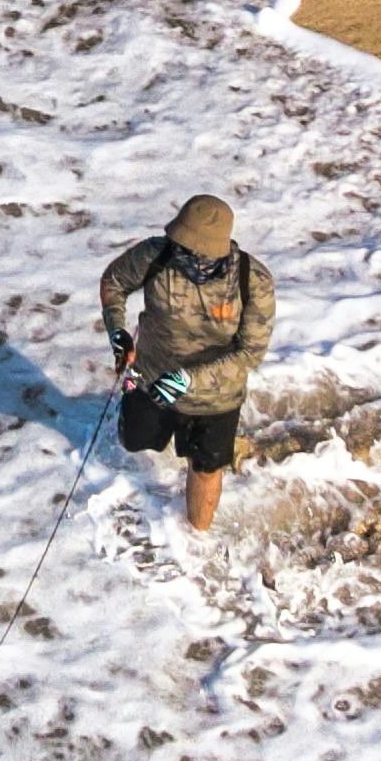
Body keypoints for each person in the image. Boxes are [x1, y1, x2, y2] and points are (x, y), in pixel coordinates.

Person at [99, 192, 270, 532]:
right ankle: (131, 396)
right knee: (133, 441)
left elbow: (250, 353)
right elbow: (114, 282)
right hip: (150, 376)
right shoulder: (155, 254)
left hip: (215, 396)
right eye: (178, 243)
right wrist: (117, 331)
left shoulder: (254, 281)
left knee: (206, 467)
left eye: (192, 250)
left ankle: (195, 541)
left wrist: (188, 380)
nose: (181, 253)